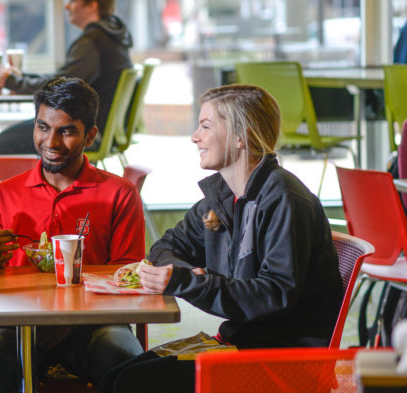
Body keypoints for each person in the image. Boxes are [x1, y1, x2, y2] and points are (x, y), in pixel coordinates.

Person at [98, 84, 344, 393]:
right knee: (114, 377)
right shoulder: (225, 197)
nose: (194, 136)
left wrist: (186, 281)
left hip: (279, 360)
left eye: (205, 126)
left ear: (241, 135)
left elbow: (275, 294)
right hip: (241, 344)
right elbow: (165, 247)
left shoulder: (284, 198)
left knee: (130, 383)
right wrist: (184, 275)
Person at [0, 77, 145, 393]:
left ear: (90, 135)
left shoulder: (119, 194)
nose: (50, 142)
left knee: (129, 365)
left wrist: (64, 322)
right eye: (42, 127)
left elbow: (126, 278)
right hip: (18, 323)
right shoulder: (3, 195)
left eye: (65, 131)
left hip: (96, 323)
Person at [0, 0, 132, 154]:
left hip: (82, 130)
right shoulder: (113, 36)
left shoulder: (93, 40)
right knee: (9, 136)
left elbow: (63, 86)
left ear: (92, 5)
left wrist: (15, 82)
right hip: (96, 127)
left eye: (73, 1)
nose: (67, 6)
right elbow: (63, 77)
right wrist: (22, 78)